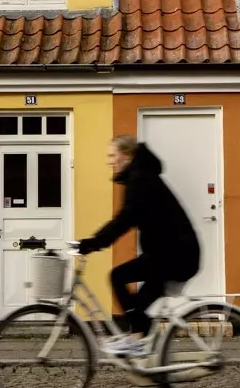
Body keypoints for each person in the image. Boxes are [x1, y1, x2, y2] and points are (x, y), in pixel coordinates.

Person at [77, 134, 201, 355]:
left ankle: (142, 342)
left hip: (175, 255)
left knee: (117, 277)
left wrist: (93, 243)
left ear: (126, 155)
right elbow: (127, 218)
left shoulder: (141, 178)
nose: (109, 161)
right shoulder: (140, 175)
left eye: (112, 155)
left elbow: (125, 218)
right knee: (138, 309)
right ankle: (148, 361)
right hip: (169, 254)